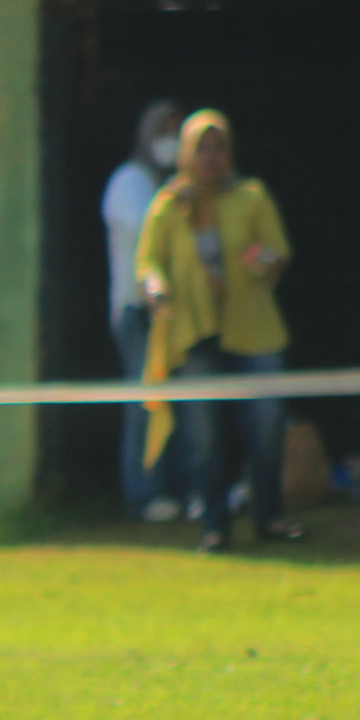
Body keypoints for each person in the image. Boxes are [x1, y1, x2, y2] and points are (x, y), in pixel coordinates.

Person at [137, 109, 298, 553]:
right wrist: (155, 287)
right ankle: (214, 525)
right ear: (188, 154)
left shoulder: (251, 196)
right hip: (195, 333)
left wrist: (266, 261)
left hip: (254, 330)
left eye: (218, 148)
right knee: (204, 438)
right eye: (202, 149)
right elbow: (148, 261)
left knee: (266, 428)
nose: (210, 158)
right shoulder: (169, 204)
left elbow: (278, 252)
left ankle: (270, 516)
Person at [104, 98, 189, 520]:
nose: (170, 142)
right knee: (144, 404)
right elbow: (148, 236)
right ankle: (144, 494)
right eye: (163, 132)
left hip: (177, 312)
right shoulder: (129, 181)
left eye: (177, 132)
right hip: (138, 310)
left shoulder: (175, 187)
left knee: (182, 403)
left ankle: (180, 489)